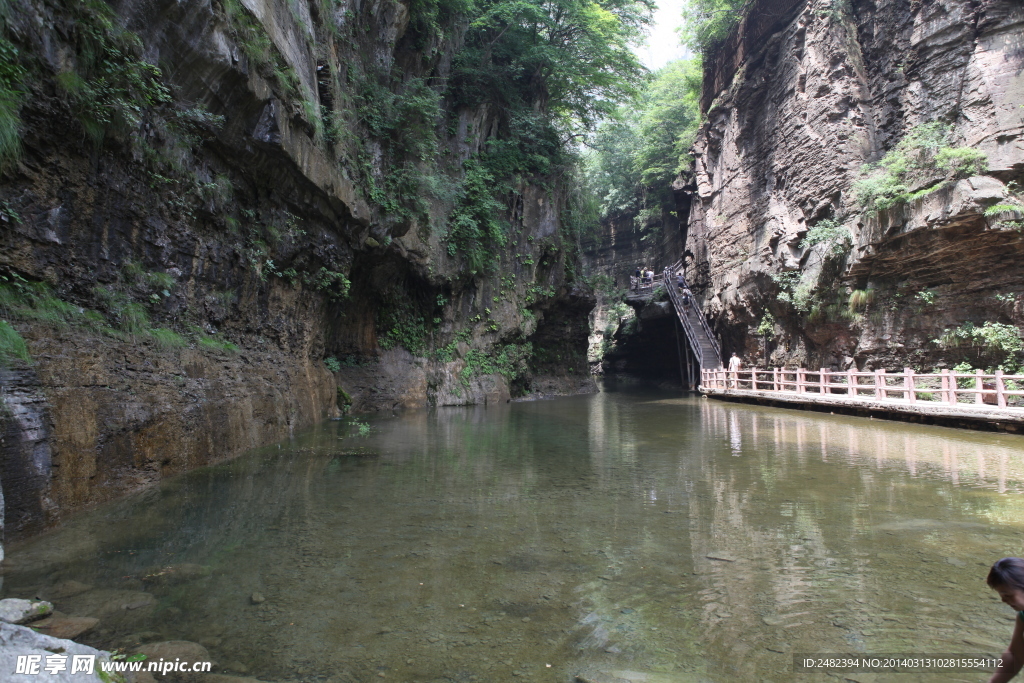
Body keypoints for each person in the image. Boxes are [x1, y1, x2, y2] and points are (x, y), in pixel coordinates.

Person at [987, 558, 1024, 682]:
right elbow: (1015, 656)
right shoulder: (1022, 616)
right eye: (1002, 596)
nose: (1003, 601)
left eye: (1008, 595)